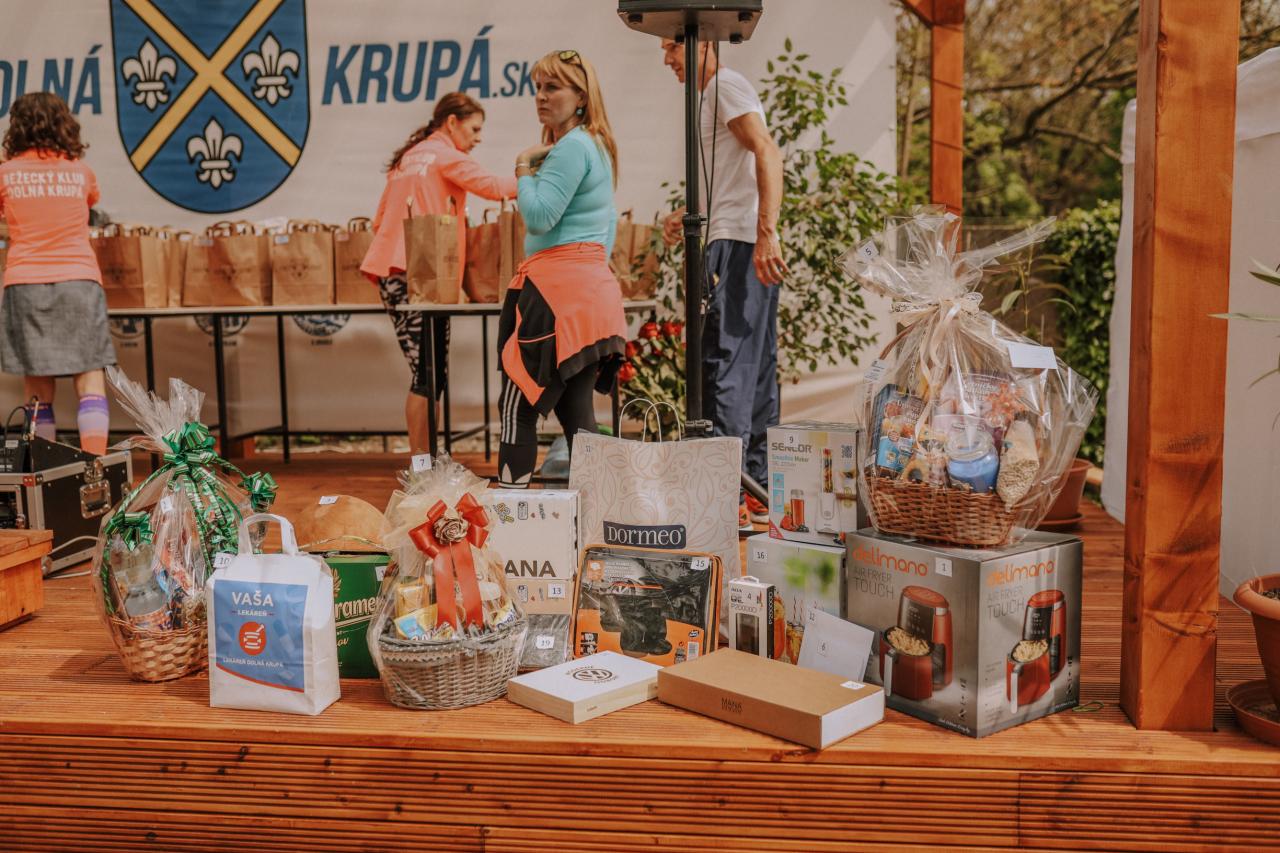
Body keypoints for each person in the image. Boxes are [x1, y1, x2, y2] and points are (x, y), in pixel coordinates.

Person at [660, 39, 788, 530]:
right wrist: (689, 213)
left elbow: (766, 150)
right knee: (755, 365)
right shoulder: (715, 93)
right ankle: (757, 487)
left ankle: (729, 491)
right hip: (735, 238)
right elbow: (733, 178)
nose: (668, 58)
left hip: (738, 244)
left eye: (673, 47)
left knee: (728, 362)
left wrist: (766, 232)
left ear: (703, 45)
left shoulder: (723, 86)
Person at [497, 49, 626, 488]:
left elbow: (539, 217)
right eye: (538, 87)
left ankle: (509, 516)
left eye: (552, 87)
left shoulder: (571, 147)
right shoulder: (597, 145)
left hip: (554, 294)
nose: (540, 96)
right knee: (576, 412)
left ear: (582, 96)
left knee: (517, 406)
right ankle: (599, 511)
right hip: (589, 295)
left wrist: (522, 166)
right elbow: (608, 224)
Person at [362, 92, 517, 453]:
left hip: (393, 274)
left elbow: (379, 220)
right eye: (474, 129)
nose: (478, 138)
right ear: (451, 123)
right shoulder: (446, 156)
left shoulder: (408, 158)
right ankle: (422, 467)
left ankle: (427, 462)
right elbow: (495, 188)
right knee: (428, 377)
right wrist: (537, 174)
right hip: (420, 277)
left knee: (429, 375)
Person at [0, 92, 113, 454]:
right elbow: (90, 204)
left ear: (17, 127)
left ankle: (45, 472)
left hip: (25, 283)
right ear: (65, 124)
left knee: (37, 385)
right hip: (79, 280)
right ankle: (96, 468)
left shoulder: (5, 173)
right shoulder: (81, 172)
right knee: (89, 378)